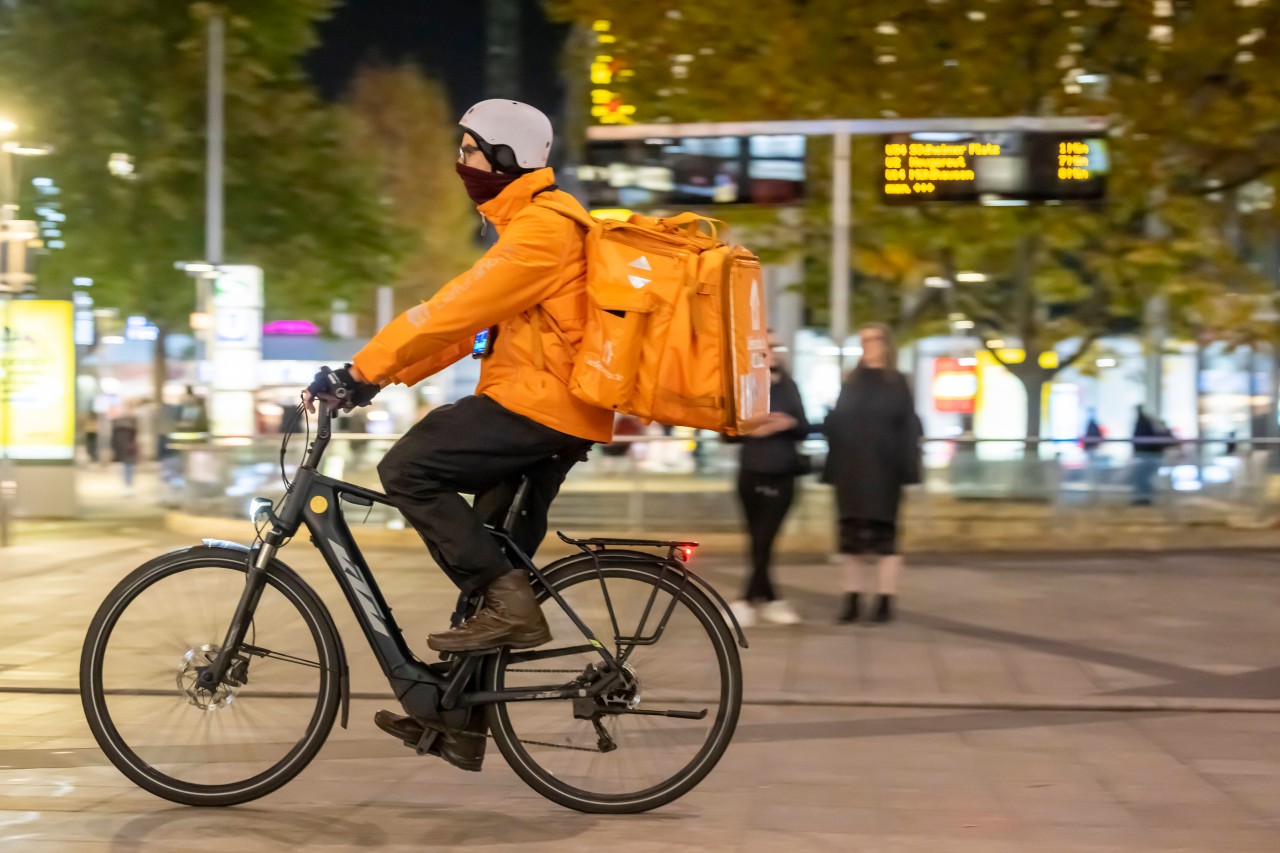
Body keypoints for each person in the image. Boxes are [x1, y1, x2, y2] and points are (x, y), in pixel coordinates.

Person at [302, 99, 611, 770]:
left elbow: (449, 311)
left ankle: (511, 608)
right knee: (487, 564)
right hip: (548, 406)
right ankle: (460, 720)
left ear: (504, 158)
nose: (460, 162)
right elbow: (464, 332)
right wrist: (376, 381)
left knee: (410, 467)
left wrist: (358, 369)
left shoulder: (542, 233)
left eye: (470, 149)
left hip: (542, 405)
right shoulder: (532, 227)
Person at [822, 323, 922, 624]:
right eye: (863, 340)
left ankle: (885, 600)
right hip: (851, 472)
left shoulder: (898, 383)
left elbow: (908, 429)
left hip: (885, 473)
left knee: (886, 539)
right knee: (850, 538)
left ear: (886, 344)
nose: (867, 345)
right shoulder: (851, 381)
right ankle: (852, 597)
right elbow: (838, 425)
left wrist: (909, 472)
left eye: (873, 339)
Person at [727, 333, 810, 627]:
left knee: (765, 539)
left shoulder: (789, 385)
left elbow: (804, 426)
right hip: (751, 471)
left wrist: (788, 422)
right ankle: (772, 601)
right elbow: (727, 431)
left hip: (783, 472)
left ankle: (746, 599)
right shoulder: (745, 383)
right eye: (768, 346)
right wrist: (752, 429)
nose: (773, 351)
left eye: (777, 346)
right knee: (758, 541)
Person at [1131, 405, 1164, 506]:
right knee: (1143, 478)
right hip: (1150, 455)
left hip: (1147, 455)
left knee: (1142, 477)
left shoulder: (1142, 423)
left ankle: (1144, 497)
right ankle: (1144, 497)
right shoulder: (1148, 422)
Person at [110, 405, 140, 495]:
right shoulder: (131, 424)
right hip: (130, 449)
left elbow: (114, 440)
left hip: (124, 450)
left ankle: (127, 485)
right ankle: (128, 485)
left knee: (126, 467)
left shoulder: (117, 425)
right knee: (128, 467)